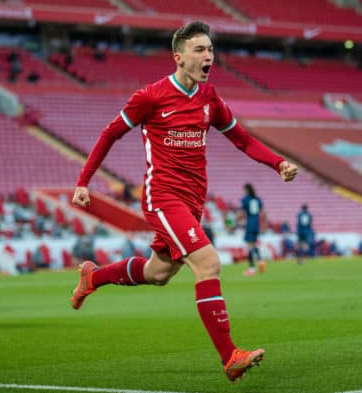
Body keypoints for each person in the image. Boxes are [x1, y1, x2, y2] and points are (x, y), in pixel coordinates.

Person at [70, 21, 298, 382]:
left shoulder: (210, 99)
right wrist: (84, 181)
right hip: (162, 196)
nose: (209, 56)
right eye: (200, 50)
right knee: (208, 264)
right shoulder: (150, 96)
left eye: (210, 50)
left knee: (157, 273)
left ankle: (92, 278)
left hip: (193, 201)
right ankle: (230, 356)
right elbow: (110, 133)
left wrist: (278, 163)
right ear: (179, 57)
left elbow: (242, 139)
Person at [240, 183, 265, 276]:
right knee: (253, 244)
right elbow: (263, 213)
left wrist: (236, 220)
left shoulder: (245, 199)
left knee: (249, 246)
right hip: (256, 224)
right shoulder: (258, 199)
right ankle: (261, 261)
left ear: (247, 190)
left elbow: (242, 212)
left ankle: (251, 268)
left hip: (250, 224)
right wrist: (263, 225)